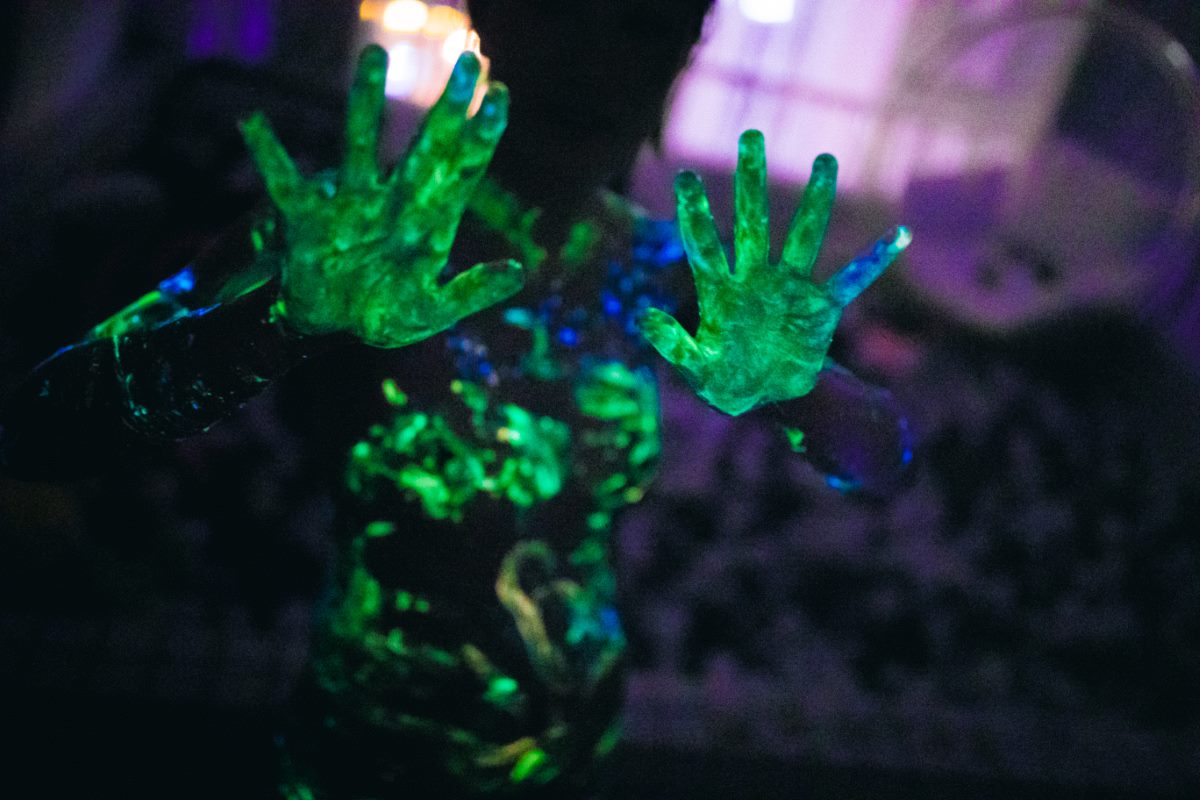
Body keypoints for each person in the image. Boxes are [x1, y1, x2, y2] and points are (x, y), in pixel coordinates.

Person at [0, 1, 911, 796]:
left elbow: (885, 461)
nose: (596, 61)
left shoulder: (672, 277)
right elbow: (35, 431)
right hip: (367, 762)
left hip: (576, 759)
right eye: (563, 9)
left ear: (688, 45)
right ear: (488, 10)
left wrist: (803, 392)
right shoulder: (349, 247)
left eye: (642, 23)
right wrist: (277, 322)